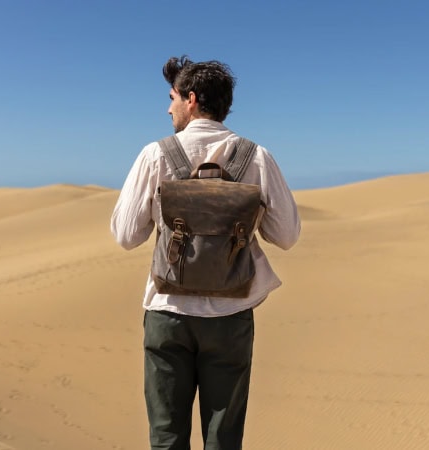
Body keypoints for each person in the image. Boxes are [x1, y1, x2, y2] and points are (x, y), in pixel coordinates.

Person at [110, 55, 301, 450]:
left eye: (172, 98)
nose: (168, 109)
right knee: (223, 439)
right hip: (231, 316)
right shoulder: (256, 157)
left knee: (166, 437)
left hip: (168, 312)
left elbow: (126, 235)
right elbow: (286, 235)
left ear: (191, 99)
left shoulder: (155, 154)